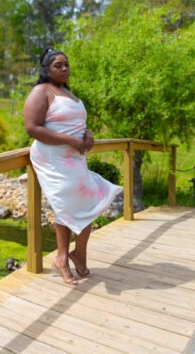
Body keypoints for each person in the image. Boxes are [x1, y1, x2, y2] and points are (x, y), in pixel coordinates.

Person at [23, 48, 123, 286]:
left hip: (75, 156)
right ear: (46, 69)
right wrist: (70, 140)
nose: (64, 68)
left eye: (66, 64)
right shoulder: (41, 91)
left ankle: (77, 254)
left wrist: (87, 133)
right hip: (54, 157)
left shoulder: (68, 93)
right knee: (67, 204)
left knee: (89, 201)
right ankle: (63, 258)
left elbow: (76, 122)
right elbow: (32, 128)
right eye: (58, 65)